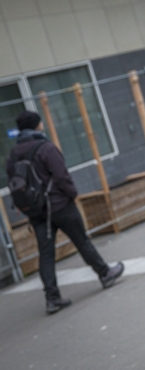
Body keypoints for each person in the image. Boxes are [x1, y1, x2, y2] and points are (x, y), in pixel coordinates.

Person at [6, 111, 124, 314]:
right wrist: (72, 195)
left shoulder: (13, 155)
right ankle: (105, 274)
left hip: (36, 212)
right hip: (60, 206)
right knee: (82, 241)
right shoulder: (45, 148)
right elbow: (61, 176)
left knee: (46, 254)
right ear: (36, 125)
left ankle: (52, 299)